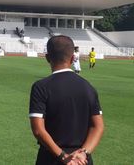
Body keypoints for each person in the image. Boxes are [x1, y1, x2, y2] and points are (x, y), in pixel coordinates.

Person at [29, 36, 104, 165]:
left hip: (51, 158)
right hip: (82, 161)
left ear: (47, 58)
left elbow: (38, 130)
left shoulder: (41, 87)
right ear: (73, 58)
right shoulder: (88, 87)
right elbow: (98, 126)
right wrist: (83, 153)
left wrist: (63, 156)